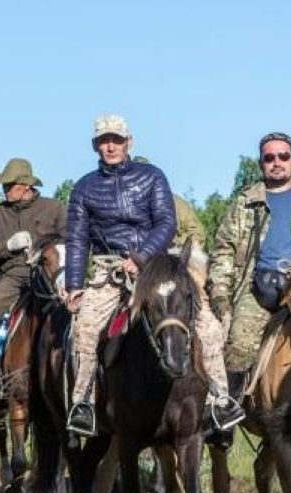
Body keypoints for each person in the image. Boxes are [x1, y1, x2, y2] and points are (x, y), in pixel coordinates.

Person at [62, 114, 243, 437]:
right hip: (109, 270)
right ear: (95, 146)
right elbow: (77, 239)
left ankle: (220, 398)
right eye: (104, 140)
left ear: (128, 142)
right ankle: (84, 403)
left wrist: (141, 257)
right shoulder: (84, 187)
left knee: (209, 326)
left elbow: (166, 223)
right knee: (85, 329)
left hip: (156, 266)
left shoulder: (152, 176)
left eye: (116, 139)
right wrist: (75, 285)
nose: (110, 146)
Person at [208, 132, 291, 401]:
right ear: (261, 164)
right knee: (240, 344)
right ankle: (226, 410)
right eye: (269, 157)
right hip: (257, 289)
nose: (277, 162)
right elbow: (223, 251)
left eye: (283, 156)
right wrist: (220, 296)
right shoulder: (244, 202)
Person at [0, 158, 66, 395]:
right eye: (3, 185)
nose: (4, 189)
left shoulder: (54, 208)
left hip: (51, 274)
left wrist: (48, 253)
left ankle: (82, 372)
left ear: (26, 185)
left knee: (79, 314)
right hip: (15, 276)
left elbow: (72, 241)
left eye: (9, 184)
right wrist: (7, 246)